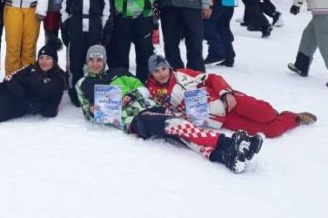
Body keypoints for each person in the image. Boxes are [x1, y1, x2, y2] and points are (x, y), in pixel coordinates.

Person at [75, 45, 263, 174]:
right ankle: (231, 142)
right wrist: (92, 110)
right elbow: (87, 111)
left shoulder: (119, 73)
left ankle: (226, 157)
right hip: (134, 120)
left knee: (183, 135)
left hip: (151, 107)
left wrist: (131, 95)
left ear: (104, 61)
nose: (95, 63)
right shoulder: (83, 83)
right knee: (177, 125)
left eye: (99, 59)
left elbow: (143, 89)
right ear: (87, 61)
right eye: (91, 60)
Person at [145, 55, 317, 138]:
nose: (161, 74)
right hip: (218, 119)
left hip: (227, 101)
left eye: (163, 68)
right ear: (151, 74)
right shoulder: (154, 92)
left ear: (169, 67)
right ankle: (294, 118)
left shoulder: (183, 73)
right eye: (156, 71)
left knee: (267, 113)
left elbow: (212, 78)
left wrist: (225, 92)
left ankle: (276, 114)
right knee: (270, 131)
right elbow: (166, 113)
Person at [60, 0, 111, 105]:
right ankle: (75, 91)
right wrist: (65, 28)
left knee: (93, 60)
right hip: (76, 25)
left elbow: (106, 10)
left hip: (94, 26)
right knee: (76, 61)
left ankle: (92, 90)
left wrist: (105, 31)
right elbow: (64, 9)